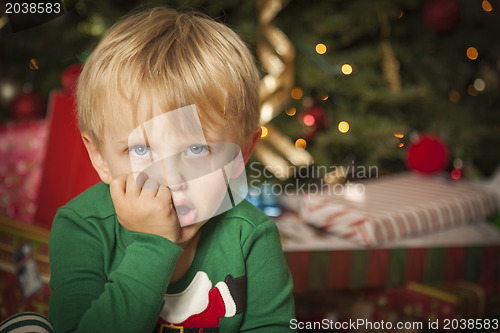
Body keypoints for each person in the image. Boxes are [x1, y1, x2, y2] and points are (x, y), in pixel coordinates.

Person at [48, 6, 295, 333]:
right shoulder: (82, 227)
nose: (171, 179)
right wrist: (153, 244)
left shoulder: (251, 236)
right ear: (101, 159)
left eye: (196, 150)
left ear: (240, 154)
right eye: (140, 150)